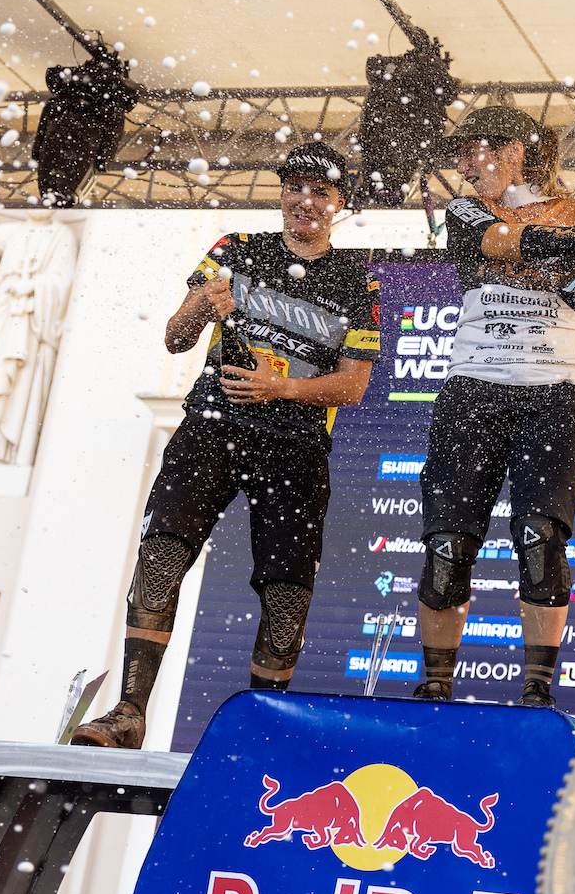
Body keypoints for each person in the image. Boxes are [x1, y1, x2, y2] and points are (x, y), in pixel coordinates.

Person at [73, 142, 380, 748]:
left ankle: (262, 728)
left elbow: (353, 384)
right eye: (295, 187)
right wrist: (204, 305)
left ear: (340, 203)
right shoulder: (237, 250)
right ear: (282, 194)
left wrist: (284, 386)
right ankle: (130, 710)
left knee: (288, 586)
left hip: (294, 443)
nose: (305, 201)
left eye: (321, 191)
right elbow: (174, 338)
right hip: (212, 425)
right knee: (162, 550)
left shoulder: (356, 279)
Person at [411, 105, 575, 706]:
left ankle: (536, 691)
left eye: (476, 151)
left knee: (540, 536)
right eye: (463, 155)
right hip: (473, 388)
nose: (467, 166)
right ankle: (435, 685)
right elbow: (495, 241)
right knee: (448, 545)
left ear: (516, 150)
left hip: (554, 392)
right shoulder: (466, 210)